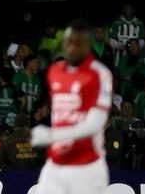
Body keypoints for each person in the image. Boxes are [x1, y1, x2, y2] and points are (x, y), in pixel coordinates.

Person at [29, 21, 113, 194]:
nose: (71, 47)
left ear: (88, 46)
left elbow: (95, 124)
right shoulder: (54, 71)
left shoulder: (99, 74)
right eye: (68, 42)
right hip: (55, 163)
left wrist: (51, 135)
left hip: (87, 166)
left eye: (77, 43)